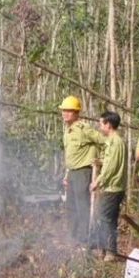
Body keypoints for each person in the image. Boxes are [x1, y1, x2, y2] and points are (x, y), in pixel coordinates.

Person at [59, 96, 100, 245]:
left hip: (83, 172)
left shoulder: (83, 129)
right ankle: (73, 237)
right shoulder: (67, 130)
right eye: (64, 110)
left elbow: (102, 140)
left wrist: (99, 160)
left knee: (82, 206)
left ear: (76, 113)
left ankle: (85, 239)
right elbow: (70, 155)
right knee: (71, 206)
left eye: (69, 111)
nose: (65, 114)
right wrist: (66, 174)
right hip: (72, 173)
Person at [88, 110, 127, 256]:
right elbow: (110, 161)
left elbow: (111, 167)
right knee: (106, 218)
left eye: (101, 124)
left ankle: (109, 251)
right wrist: (100, 162)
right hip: (112, 186)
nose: (100, 127)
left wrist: (97, 181)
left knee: (104, 218)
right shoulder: (112, 142)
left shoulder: (116, 142)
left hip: (112, 187)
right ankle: (105, 249)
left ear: (108, 124)